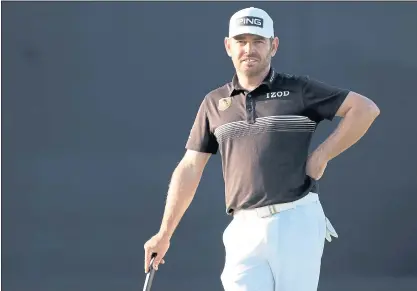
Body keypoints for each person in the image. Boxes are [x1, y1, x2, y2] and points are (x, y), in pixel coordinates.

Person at [143, 6, 380, 291]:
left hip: (295, 220)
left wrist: (322, 155)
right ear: (228, 46)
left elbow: (365, 109)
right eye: (241, 42)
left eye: (258, 41)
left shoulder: (298, 89)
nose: (249, 49)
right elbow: (190, 166)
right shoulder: (214, 103)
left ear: (273, 45)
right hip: (242, 228)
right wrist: (164, 233)